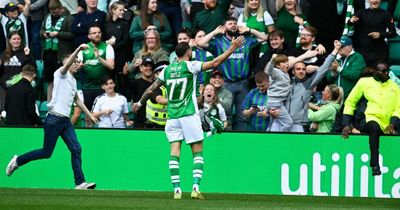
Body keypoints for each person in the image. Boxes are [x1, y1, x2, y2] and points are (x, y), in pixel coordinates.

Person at [132, 37, 244, 199]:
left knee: (174, 152)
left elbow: (151, 89)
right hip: (189, 115)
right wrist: (231, 48)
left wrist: (140, 103)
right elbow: (214, 63)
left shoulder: (167, 70)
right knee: (197, 152)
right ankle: (195, 188)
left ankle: (177, 190)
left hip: (172, 117)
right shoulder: (191, 65)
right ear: (189, 53)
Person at [5, 44, 98, 189]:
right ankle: (18, 160)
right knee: (46, 152)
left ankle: (80, 182)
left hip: (65, 121)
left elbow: (77, 100)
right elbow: (67, 64)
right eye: (73, 61)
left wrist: (89, 115)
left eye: (77, 62)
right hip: (53, 120)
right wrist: (78, 49)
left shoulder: (73, 81)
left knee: (76, 149)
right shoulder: (60, 74)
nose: (76, 64)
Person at [198, 16, 268, 131]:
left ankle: (241, 141)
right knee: (225, 113)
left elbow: (265, 38)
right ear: (224, 27)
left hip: (243, 83)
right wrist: (215, 32)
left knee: (242, 116)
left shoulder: (245, 40)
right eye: (230, 23)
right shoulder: (218, 42)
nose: (233, 25)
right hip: (226, 84)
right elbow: (200, 43)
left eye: (235, 23)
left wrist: (249, 30)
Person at [341, 63, 400, 176]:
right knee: (373, 127)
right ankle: (375, 165)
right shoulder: (364, 82)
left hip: (387, 123)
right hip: (367, 119)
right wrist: (347, 123)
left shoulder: (394, 86)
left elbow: (398, 108)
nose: (386, 73)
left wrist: (393, 124)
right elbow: (350, 103)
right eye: (383, 71)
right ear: (375, 72)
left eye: (387, 71)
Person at [286, 40, 341, 132]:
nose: (301, 71)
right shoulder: (285, 82)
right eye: (298, 69)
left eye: (303, 69)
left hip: (298, 125)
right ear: (293, 71)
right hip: (282, 123)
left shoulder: (308, 84)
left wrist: (335, 50)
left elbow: (323, 69)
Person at [77, 24, 115, 126]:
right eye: (94, 33)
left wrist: (99, 58)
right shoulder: (83, 48)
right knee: (88, 117)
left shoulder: (107, 47)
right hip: (87, 87)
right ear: (89, 36)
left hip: (102, 88)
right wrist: (79, 65)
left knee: (104, 117)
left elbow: (111, 66)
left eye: (99, 32)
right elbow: (77, 67)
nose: (97, 35)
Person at [327, 36, 365, 132]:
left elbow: (355, 75)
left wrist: (339, 69)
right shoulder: (337, 58)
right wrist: (333, 73)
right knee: (336, 127)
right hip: (336, 99)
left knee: (349, 127)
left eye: (342, 47)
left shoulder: (357, 57)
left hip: (351, 99)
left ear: (350, 47)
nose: (339, 49)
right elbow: (328, 78)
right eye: (339, 47)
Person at [40, 0, 74, 102]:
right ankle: (49, 103)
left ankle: (62, 102)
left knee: (61, 80)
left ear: (61, 8)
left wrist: (58, 34)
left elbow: (72, 35)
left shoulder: (69, 18)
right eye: (51, 12)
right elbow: (41, 30)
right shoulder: (47, 17)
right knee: (49, 79)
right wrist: (44, 34)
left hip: (62, 54)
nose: (53, 14)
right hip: (48, 53)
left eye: (55, 11)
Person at [348, 0, 396, 66]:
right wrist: (351, 21)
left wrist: (380, 35)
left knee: (381, 68)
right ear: (368, 0)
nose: (375, 0)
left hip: (379, 53)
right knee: (361, 72)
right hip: (363, 52)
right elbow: (349, 23)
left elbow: (393, 33)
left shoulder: (386, 14)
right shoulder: (361, 13)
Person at [0, 31, 35, 112]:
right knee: (4, 111)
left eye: (18, 39)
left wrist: (28, 56)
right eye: (14, 39)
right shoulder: (4, 54)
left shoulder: (25, 53)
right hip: (4, 86)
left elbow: (32, 69)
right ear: (9, 41)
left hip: (20, 86)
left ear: (21, 40)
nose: (16, 41)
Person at [104, 1, 131, 96]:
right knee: (110, 78)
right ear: (113, 10)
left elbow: (126, 41)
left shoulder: (125, 23)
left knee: (122, 81)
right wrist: (107, 44)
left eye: (123, 10)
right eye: (120, 10)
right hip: (110, 56)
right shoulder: (106, 24)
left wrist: (112, 45)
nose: (123, 12)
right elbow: (104, 40)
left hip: (122, 56)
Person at [264, 54, 293, 131]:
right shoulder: (276, 72)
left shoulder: (286, 73)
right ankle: (279, 137)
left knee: (272, 121)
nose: (287, 63)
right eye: (284, 62)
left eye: (287, 61)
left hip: (275, 102)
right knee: (288, 123)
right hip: (275, 102)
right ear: (277, 65)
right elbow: (269, 70)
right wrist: (272, 60)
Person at [129, 56, 155, 128]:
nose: (148, 68)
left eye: (150, 66)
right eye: (145, 66)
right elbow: (123, 84)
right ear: (140, 68)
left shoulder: (156, 85)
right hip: (139, 121)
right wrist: (126, 72)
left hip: (155, 121)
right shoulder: (135, 83)